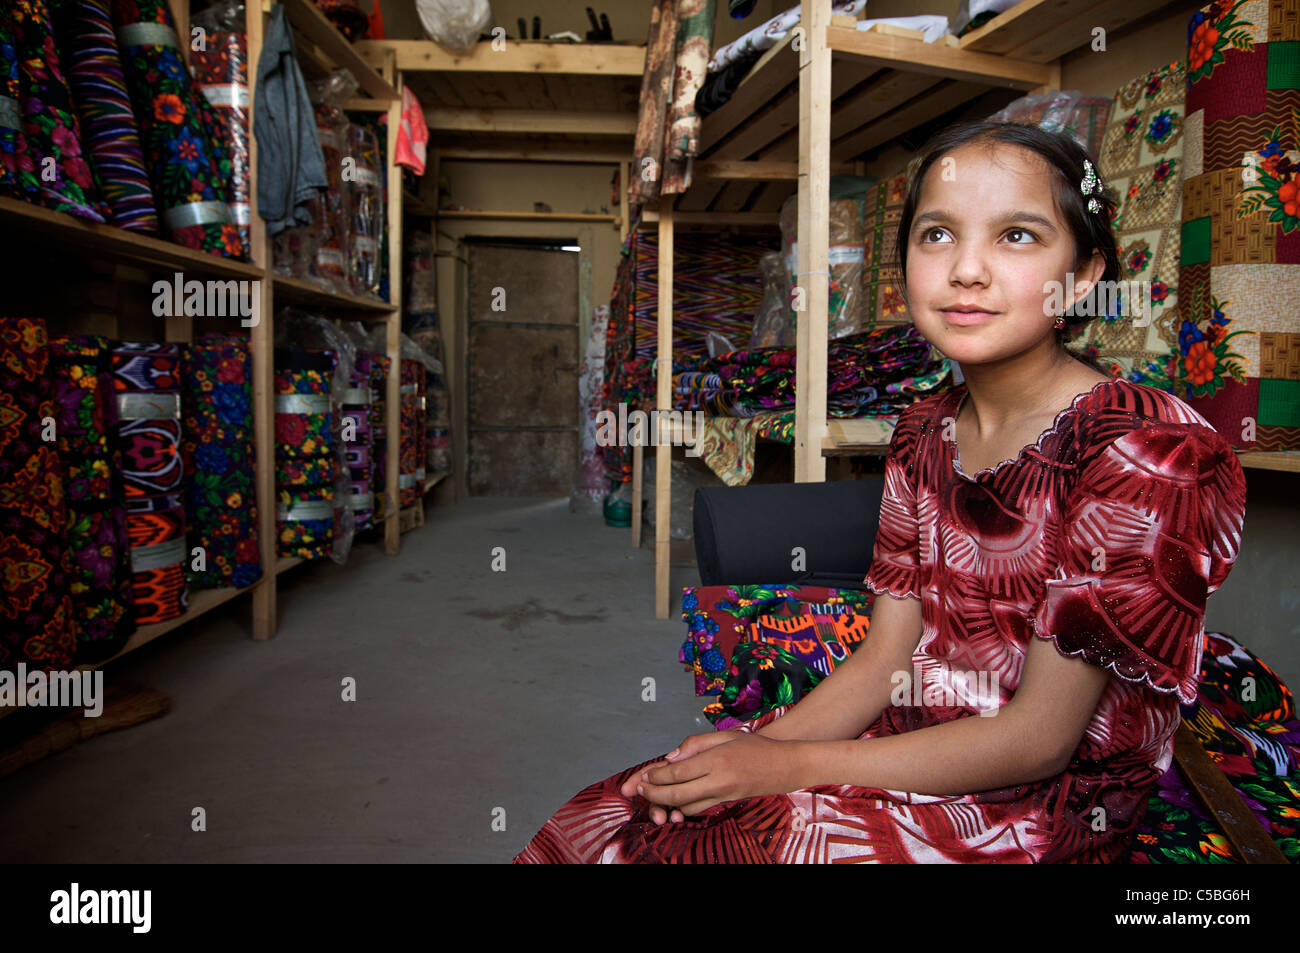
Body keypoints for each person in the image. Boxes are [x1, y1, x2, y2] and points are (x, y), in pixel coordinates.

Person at [513, 121, 1248, 863]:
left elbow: (1041, 739)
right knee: (622, 812)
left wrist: (788, 766)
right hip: (916, 738)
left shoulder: (1146, 449)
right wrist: (746, 756)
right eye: (937, 234)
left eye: (1017, 236)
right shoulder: (923, 429)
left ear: (1085, 274)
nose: (967, 269)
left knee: (735, 847)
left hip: (1045, 807)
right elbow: (884, 658)